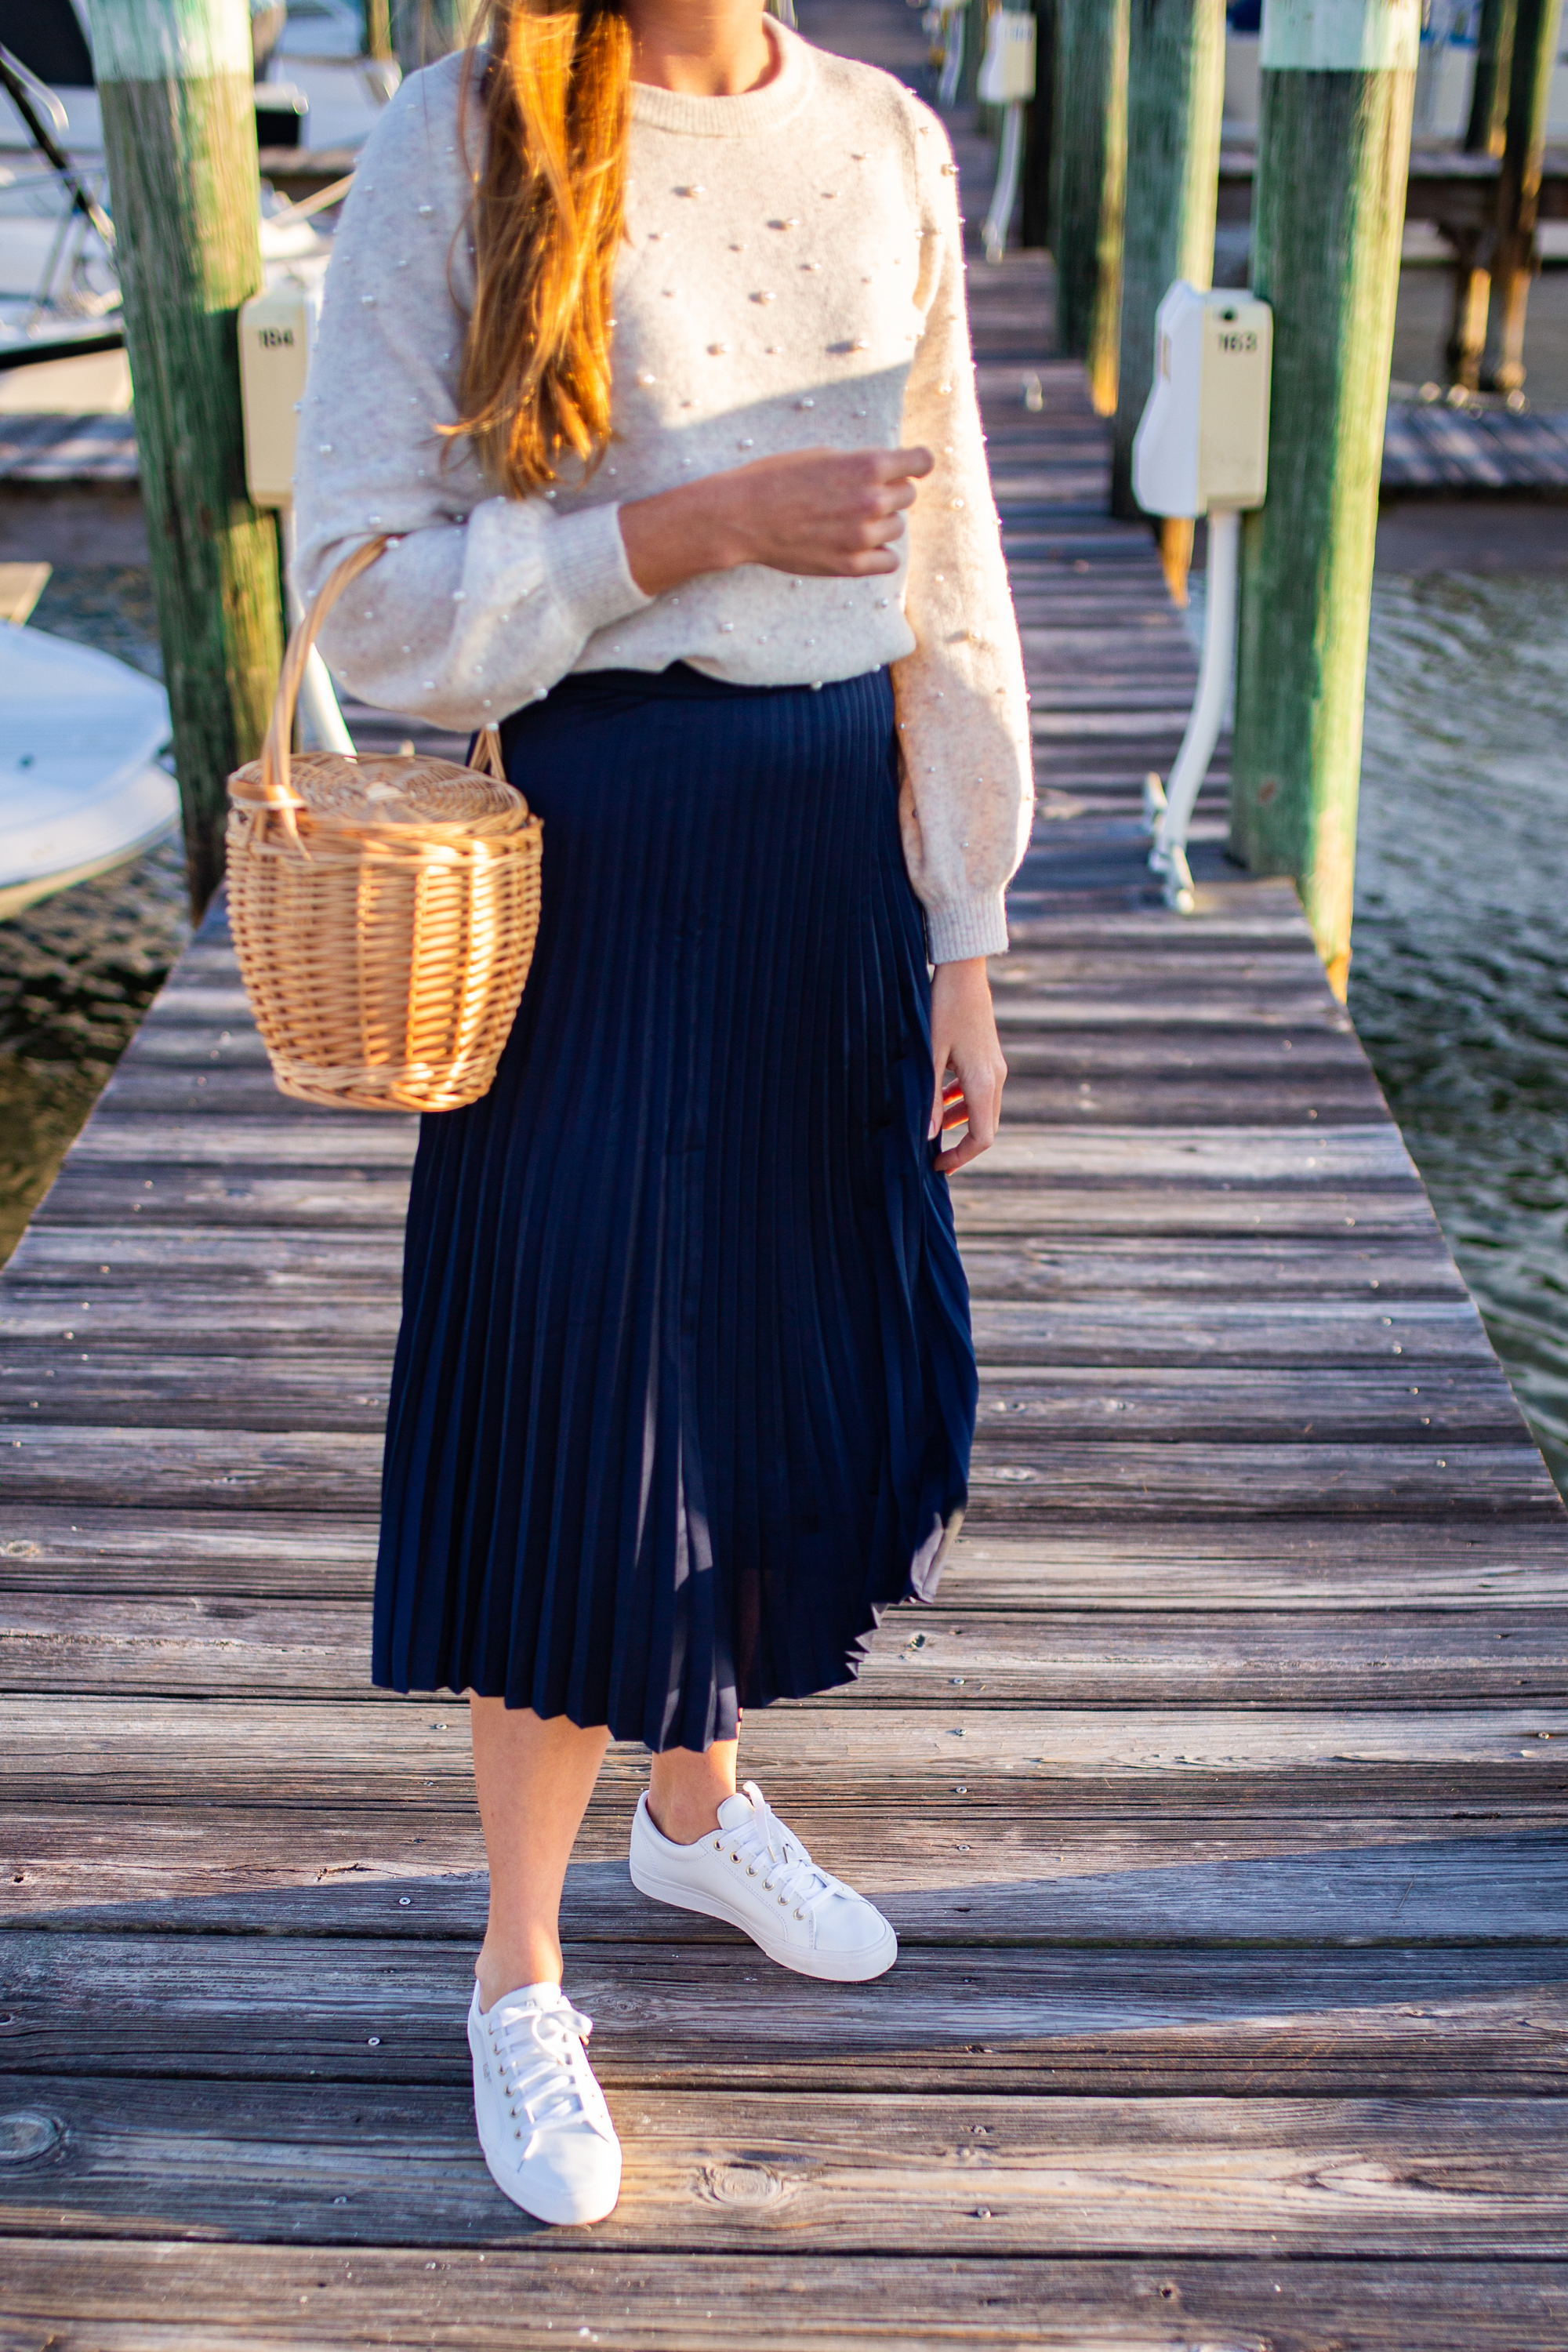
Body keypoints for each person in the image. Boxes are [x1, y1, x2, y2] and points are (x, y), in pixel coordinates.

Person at [293, 0, 1032, 2229]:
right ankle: (516, 1974)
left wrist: (967, 923)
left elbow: (955, 559)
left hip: (828, 843)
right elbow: (359, 596)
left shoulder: (889, 138)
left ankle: (696, 1813)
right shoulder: (464, 138)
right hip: (595, 839)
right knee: (584, 1402)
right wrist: (681, 528)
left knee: (784, 1371)